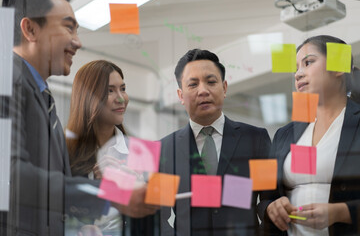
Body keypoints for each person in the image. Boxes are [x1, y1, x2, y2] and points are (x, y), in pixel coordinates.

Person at [0, 0, 156, 235]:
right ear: (30, 29)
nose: (78, 42)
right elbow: (9, 176)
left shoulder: (41, 95)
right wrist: (106, 192)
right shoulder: (8, 81)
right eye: (68, 27)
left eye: (123, 89)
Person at [159, 49, 271, 236]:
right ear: (180, 95)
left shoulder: (255, 139)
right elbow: (157, 215)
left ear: (224, 88)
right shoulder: (164, 149)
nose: (203, 90)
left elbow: (269, 202)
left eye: (211, 82)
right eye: (193, 84)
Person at [257, 35, 360, 236]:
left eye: (308, 62)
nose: (298, 74)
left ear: (339, 67)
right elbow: (264, 199)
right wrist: (271, 208)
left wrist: (342, 212)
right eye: (296, 68)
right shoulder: (284, 134)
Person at [66, 60, 143, 235]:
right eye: (110, 91)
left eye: (123, 89)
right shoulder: (64, 150)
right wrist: (96, 186)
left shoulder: (138, 153)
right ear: (88, 97)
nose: (121, 98)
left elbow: (152, 218)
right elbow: (56, 213)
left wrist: (136, 188)